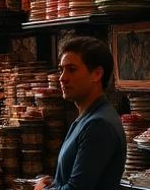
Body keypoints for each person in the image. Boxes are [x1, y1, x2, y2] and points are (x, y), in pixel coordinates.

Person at [34, 37, 126, 190]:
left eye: (72, 69)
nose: (62, 78)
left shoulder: (98, 125)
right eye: (61, 70)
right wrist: (54, 183)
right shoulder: (87, 118)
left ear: (96, 74)